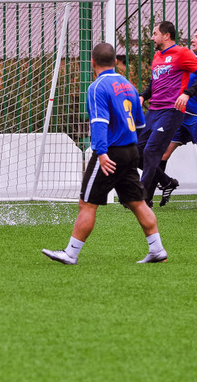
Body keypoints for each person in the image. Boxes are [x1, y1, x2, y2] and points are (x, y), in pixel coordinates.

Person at [42, 43, 167, 265]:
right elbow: (139, 122)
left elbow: (99, 122)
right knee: (138, 202)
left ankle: (70, 254)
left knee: (87, 203)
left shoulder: (97, 87)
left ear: (93, 62)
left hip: (110, 153)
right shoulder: (128, 85)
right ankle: (157, 249)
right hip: (129, 150)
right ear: (115, 62)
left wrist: (101, 152)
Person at [137, 21, 197, 207]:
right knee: (137, 150)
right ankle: (166, 181)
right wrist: (143, 96)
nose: (152, 37)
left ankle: (141, 198)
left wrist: (187, 93)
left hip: (173, 111)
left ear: (166, 35)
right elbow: (154, 82)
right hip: (155, 110)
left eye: (155, 34)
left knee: (152, 150)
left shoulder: (182, 53)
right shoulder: (157, 56)